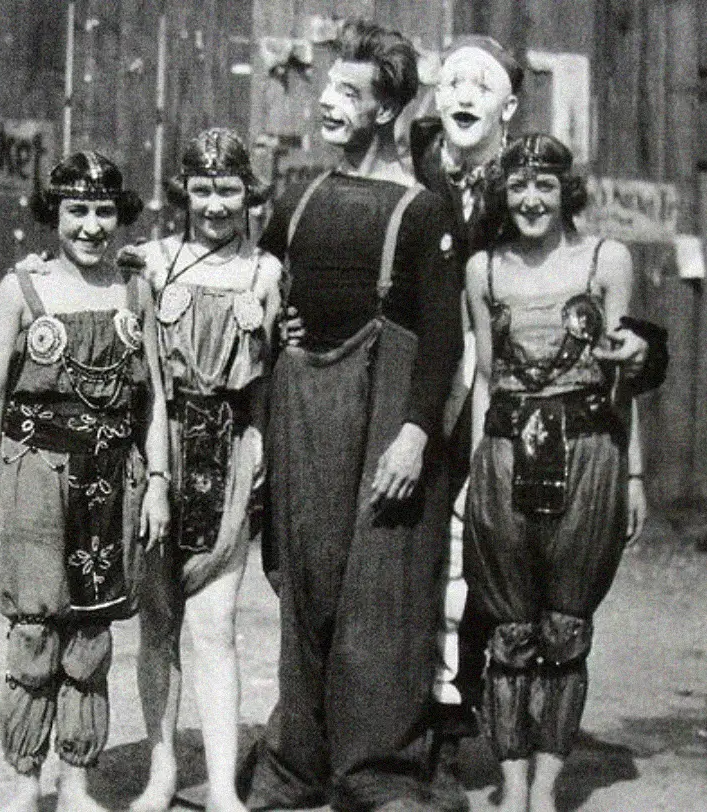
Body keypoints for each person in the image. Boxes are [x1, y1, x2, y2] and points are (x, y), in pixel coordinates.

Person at [408, 35, 667, 745]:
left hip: (524, 397)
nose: (462, 95)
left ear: (509, 107)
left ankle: (491, 729)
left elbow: (604, 326)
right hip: (432, 384)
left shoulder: (529, 184)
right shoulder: (416, 177)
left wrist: (646, 358)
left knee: (504, 569)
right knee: (427, 556)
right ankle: (422, 723)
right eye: (450, 81)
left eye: (480, 85)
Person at [243, 19, 466, 812]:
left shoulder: (424, 212)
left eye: (349, 93)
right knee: (306, 587)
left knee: (382, 598)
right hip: (306, 414)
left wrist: (415, 433)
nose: (330, 103)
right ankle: (297, 764)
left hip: (386, 421)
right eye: (329, 89)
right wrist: (279, 325)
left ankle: (380, 773)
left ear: (384, 111)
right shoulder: (299, 200)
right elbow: (255, 284)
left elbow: (444, 336)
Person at [0, 151, 171, 812]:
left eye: (103, 211)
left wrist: (162, 480)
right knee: (35, 624)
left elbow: (157, 402)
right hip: (34, 473)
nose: (91, 226)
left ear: (121, 216)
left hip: (111, 478)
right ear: (52, 215)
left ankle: (78, 781)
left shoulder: (134, 290)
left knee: (90, 629)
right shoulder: (21, 288)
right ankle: (27, 781)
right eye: (76, 210)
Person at [463, 133, 649, 812]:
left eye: (544, 185)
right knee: (510, 632)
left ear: (565, 191)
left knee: (565, 629)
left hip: (592, 451)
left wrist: (633, 476)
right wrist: (473, 475)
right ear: (502, 194)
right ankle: (511, 791)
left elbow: (625, 377)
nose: (531, 200)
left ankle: (545, 791)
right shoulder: (482, 270)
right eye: (517, 187)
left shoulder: (607, 259)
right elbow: (484, 378)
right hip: (507, 452)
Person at [125, 128, 282, 812]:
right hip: (159, 449)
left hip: (229, 453)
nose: (215, 205)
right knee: (157, 621)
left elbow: (273, 377)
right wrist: (152, 475)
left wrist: (262, 444)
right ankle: (162, 773)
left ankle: (220, 788)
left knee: (215, 627)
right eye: (202, 189)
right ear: (182, 191)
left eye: (228, 190)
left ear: (249, 192)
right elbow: (142, 376)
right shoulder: (153, 262)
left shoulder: (267, 273)